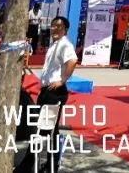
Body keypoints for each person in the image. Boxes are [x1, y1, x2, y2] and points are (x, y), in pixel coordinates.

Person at [19, 16, 78, 173]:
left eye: (59, 26)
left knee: (44, 130)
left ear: (65, 29)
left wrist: (62, 80)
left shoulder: (65, 44)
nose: (55, 29)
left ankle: (36, 163)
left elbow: (72, 61)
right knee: (48, 129)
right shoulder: (54, 44)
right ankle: (49, 163)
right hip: (46, 91)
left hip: (55, 93)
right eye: (53, 26)